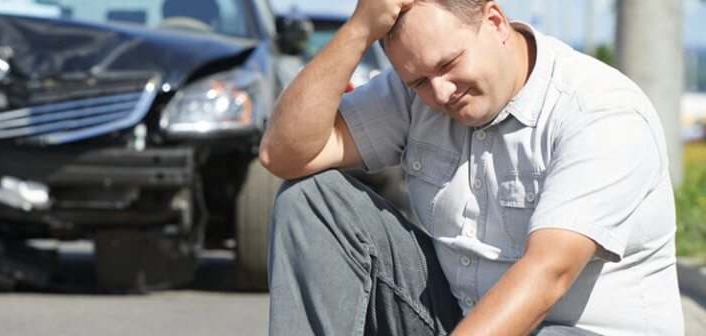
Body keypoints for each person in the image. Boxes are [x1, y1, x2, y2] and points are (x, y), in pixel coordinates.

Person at [259, 0, 684, 335]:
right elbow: (284, 155)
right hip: (466, 321)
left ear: (496, 22)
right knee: (311, 200)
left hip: (576, 331)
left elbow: (549, 273)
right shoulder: (418, 93)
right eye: (419, 81)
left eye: (448, 64)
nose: (441, 92)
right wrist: (357, 31)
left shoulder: (600, 111)